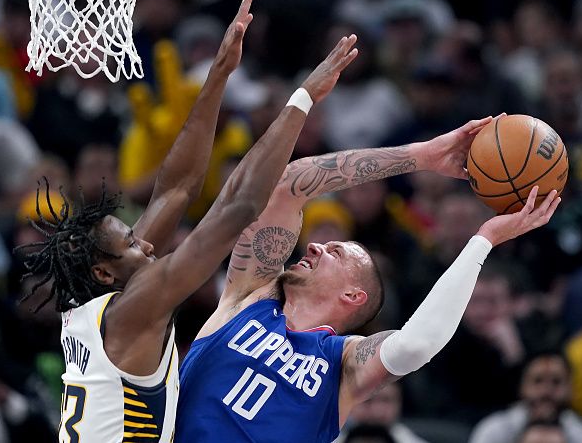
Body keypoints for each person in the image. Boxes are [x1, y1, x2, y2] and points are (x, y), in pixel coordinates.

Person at [15, 0, 360, 442]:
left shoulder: (97, 304)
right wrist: (303, 97)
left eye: (134, 235)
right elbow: (240, 208)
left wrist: (217, 76)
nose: (148, 243)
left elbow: (175, 189)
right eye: (132, 244)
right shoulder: (134, 308)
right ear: (103, 271)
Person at [175, 113, 561, 442]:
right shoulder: (249, 298)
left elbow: (417, 344)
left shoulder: (342, 365)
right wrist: (421, 156)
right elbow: (289, 185)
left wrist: (484, 239)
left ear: (354, 295)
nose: (314, 247)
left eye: (336, 252)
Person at [469, 351, 582, 443]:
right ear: (522, 386)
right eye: (537, 381)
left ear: (570, 388)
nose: (546, 391)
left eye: (556, 382)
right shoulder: (493, 430)